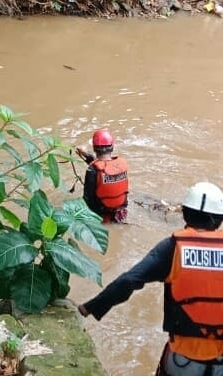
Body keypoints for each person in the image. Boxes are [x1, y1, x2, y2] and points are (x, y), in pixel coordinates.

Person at [77, 182, 223, 375]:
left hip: (182, 363)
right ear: (219, 220)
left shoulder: (172, 248)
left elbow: (129, 281)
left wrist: (89, 307)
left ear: (185, 214)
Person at [76, 129, 129, 223]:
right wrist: (87, 157)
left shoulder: (92, 170)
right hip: (120, 214)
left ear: (94, 148)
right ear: (112, 147)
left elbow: (88, 199)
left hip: (101, 216)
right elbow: (105, 166)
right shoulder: (121, 165)